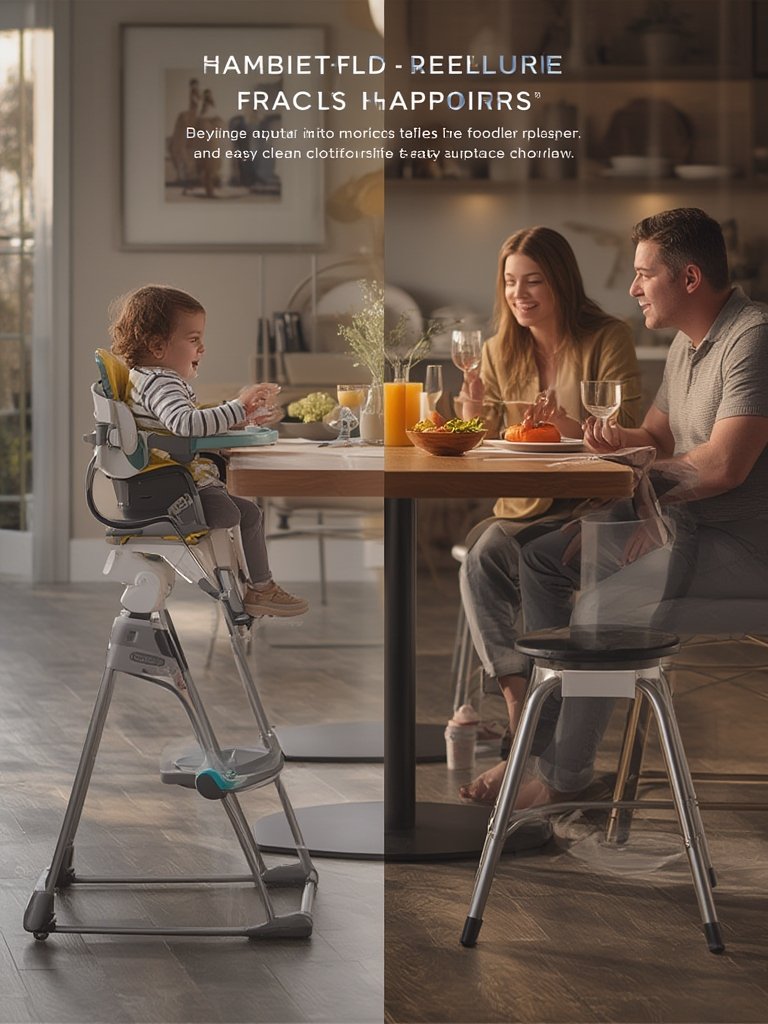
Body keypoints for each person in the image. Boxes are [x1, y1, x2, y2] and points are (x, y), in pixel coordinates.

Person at [481, 207, 768, 810]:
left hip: (743, 552)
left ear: (688, 279)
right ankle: (540, 747)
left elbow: (723, 466)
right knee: (540, 560)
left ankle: (563, 779)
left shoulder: (753, 338)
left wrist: (640, 496)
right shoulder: (689, 345)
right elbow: (659, 441)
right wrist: (614, 443)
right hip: (682, 532)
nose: (633, 288)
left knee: (602, 608)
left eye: (644, 274)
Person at [456, 226, 642, 803]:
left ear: (560, 281)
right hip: (527, 505)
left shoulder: (607, 337)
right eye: (511, 282)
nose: (520, 293)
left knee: (532, 564)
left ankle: (532, 758)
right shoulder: (498, 349)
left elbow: (625, 433)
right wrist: (472, 414)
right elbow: (489, 442)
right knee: (484, 554)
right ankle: (519, 703)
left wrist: (566, 423)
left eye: (533, 280)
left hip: (592, 505)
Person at [109, 284, 308, 618]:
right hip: (174, 493)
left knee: (249, 513)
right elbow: (185, 424)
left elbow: (190, 424)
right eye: (193, 339)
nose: (203, 347)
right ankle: (249, 587)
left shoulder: (148, 378)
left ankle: (259, 588)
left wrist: (239, 418)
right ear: (158, 345)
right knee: (231, 513)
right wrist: (238, 406)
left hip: (172, 486)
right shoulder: (161, 382)